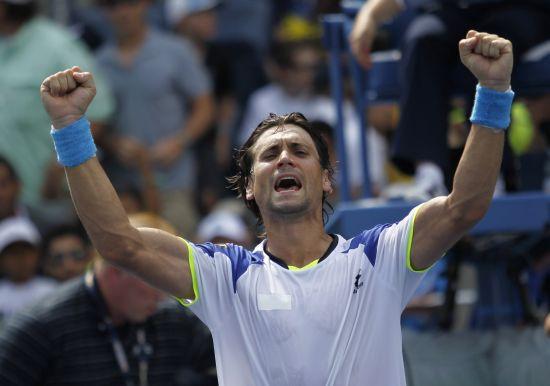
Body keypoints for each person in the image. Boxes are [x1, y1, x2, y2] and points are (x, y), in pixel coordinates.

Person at [39, 28, 513, 385]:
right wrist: (69, 128)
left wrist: (492, 93)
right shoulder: (223, 276)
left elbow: (463, 208)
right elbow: (117, 243)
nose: (285, 157)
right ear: (248, 187)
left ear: (326, 179)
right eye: (270, 155)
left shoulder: (379, 257)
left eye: (301, 151)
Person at [350, 0, 550, 197]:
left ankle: (491, 179)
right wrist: (369, 15)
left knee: (488, 47)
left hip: (517, 10)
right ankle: (429, 175)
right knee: (423, 39)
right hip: (455, 11)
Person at [0, 212, 216, 386]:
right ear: (116, 269)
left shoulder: (173, 319)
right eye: (156, 280)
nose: (163, 295)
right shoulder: (39, 328)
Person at [95, 0, 214, 237]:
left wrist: (179, 142)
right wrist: (112, 143)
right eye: (112, 6)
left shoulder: (176, 50)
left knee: (183, 254)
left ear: (144, 5)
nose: (122, 11)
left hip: (173, 180)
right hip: (122, 187)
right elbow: (97, 122)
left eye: (129, 4)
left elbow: (205, 106)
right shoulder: (98, 62)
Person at [0, 0, 114, 230]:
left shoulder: (56, 44)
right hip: (8, 205)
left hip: (48, 202)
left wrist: (59, 167)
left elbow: (99, 112)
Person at [0, 217, 57, 320]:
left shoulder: (53, 290)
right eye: (13, 253)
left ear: (38, 254)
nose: (20, 258)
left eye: (26, 252)